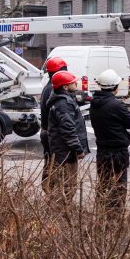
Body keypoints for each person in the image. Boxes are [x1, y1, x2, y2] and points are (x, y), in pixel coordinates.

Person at [89, 69, 130, 210]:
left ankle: (103, 215)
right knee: (119, 186)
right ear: (115, 86)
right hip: (117, 153)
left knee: (104, 184)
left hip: (102, 151)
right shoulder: (116, 105)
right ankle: (114, 218)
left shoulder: (94, 103)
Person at [45, 70, 89, 202]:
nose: (75, 83)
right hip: (65, 155)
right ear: (65, 87)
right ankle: (61, 217)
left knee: (64, 187)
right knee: (66, 188)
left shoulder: (62, 100)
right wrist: (78, 149)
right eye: (72, 82)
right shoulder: (64, 105)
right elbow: (68, 130)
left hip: (62, 153)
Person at [40, 57, 68, 163]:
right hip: (53, 135)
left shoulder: (48, 88)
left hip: (48, 132)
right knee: (56, 169)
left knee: (49, 167)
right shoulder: (54, 90)